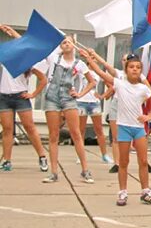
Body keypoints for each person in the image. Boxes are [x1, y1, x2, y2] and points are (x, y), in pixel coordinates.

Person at [81, 49, 151, 206]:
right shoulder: (120, 84)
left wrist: (149, 116)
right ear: (126, 69)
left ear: (141, 71)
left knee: (143, 161)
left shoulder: (143, 88)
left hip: (138, 128)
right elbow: (102, 73)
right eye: (132, 67)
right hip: (124, 127)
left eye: (138, 67)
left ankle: (145, 191)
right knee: (123, 162)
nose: (135, 69)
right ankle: (123, 192)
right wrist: (90, 60)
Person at [41, 36, 97, 184]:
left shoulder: (79, 64)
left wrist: (79, 94)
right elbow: (34, 47)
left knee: (76, 134)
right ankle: (53, 172)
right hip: (52, 98)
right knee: (53, 135)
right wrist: (14, 33)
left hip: (68, 99)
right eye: (63, 42)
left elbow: (92, 82)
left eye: (69, 42)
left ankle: (85, 170)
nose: (66, 44)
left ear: (74, 45)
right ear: (61, 46)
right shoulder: (54, 59)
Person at [0, 25, 48, 172]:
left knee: (30, 128)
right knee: (7, 130)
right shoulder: (4, 58)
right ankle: (7, 161)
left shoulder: (27, 62)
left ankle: (42, 157)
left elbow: (43, 79)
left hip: (20, 97)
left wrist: (33, 94)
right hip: (4, 97)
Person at [74, 70, 111, 165]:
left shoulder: (98, 72)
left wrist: (102, 96)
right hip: (81, 102)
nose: (93, 60)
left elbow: (111, 85)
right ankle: (79, 155)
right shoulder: (80, 70)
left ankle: (104, 155)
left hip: (94, 103)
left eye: (94, 58)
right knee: (81, 130)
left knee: (99, 130)